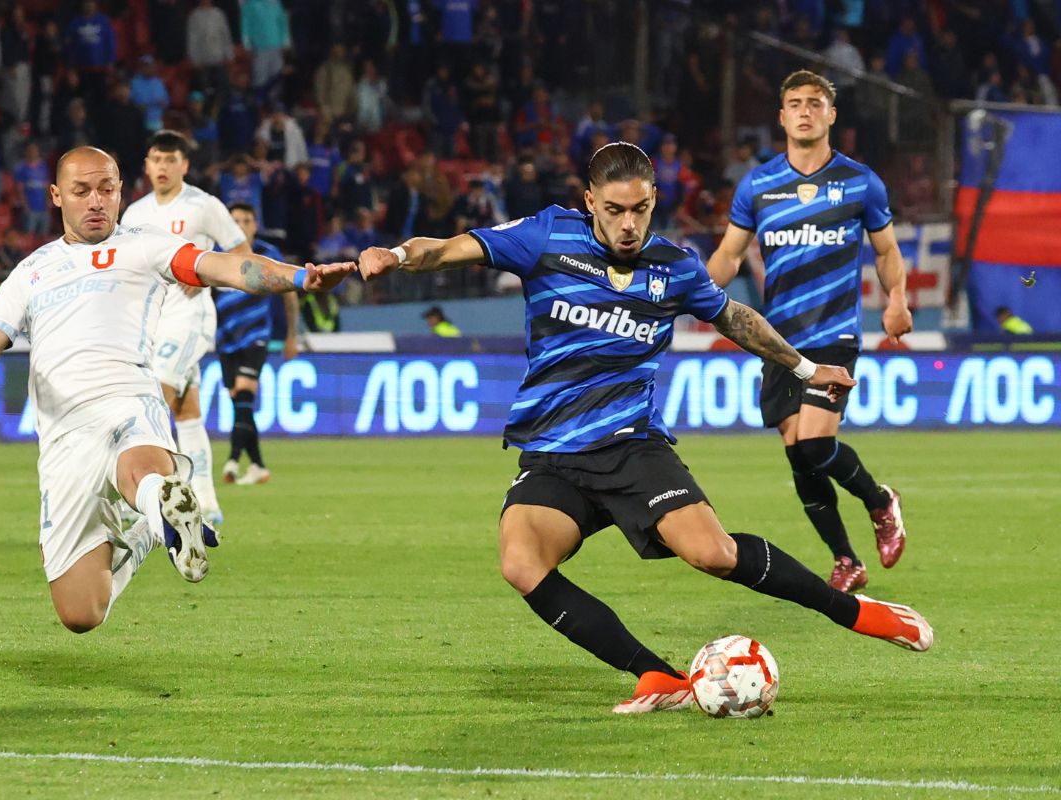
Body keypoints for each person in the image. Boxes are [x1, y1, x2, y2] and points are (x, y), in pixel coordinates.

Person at [357, 141, 932, 715]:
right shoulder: (546, 236)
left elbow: (735, 317)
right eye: (613, 210)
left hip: (631, 448)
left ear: (653, 200)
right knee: (521, 562)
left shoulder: (675, 266)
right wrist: (398, 255)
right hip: (554, 453)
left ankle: (856, 613)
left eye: (639, 209)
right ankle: (657, 676)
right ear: (590, 202)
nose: (628, 224)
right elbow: (450, 248)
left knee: (713, 553)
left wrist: (807, 368)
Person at [0, 146, 352, 634]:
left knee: (143, 470)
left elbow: (227, 268)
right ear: (56, 196)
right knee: (81, 613)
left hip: (129, 401)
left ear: (120, 191)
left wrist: (302, 277)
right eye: (81, 191)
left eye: (107, 189)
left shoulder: (146, 245)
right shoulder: (32, 271)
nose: (96, 200)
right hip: (64, 437)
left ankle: (162, 497)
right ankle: (151, 529)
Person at [707, 70, 913, 594]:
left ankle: (879, 500)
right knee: (798, 452)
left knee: (817, 442)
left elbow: (887, 251)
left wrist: (896, 299)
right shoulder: (758, 185)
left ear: (831, 115)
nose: (804, 111)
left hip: (834, 334)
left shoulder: (860, 181)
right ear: (781, 117)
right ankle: (846, 559)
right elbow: (730, 255)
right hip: (778, 342)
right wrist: (691, 294)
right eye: (794, 102)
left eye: (814, 103)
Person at [120, 130, 247, 525]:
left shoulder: (204, 206)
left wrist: (206, 276)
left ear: (184, 165)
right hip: (152, 322)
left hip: (190, 317)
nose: (162, 167)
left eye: (170, 160)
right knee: (187, 410)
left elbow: (241, 254)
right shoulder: (134, 214)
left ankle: (153, 496)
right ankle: (207, 502)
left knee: (155, 395)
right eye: (155, 160)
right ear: (146, 165)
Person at [218, 202, 300, 485]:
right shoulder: (215, 255)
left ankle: (231, 460)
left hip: (256, 337)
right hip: (224, 339)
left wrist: (292, 335)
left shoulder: (267, 255)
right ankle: (258, 465)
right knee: (240, 404)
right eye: (235, 220)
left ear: (255, 225)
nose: (240, 225)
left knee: (244, 395)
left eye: (246, 220)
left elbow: (289, 294)